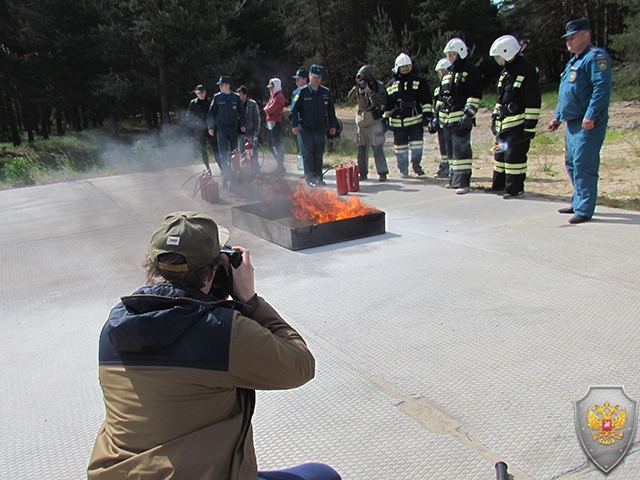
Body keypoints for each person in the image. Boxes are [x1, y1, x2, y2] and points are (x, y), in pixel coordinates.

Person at [87, 211, 341, 480]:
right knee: (323, 475)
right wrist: (249, 299)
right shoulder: (221, 331)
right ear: (211, 275)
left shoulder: (114, 328)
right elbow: (300, 365)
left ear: (150, 266)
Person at [548, 18, 612, 224]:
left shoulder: (595, 58)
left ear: (586, 35)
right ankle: (578, 201)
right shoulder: (573, 61)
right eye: (567, 38)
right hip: (572, 121)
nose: (569, 41)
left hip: (588, 122)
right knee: (571, 164)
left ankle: (584, 209)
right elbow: (565, 93)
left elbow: (601, 89)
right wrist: (557, 116)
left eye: (573, 37)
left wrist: (591, 114)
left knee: (584, 163)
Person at [486, 35, 541, 199]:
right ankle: (499, 185)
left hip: (518, 124)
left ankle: (514, 189)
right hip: (504, 124)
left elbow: (533, 100)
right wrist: (495, 118)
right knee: (500, 155)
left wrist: (530, 126)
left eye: (499, 57)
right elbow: (500, 98)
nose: (498, 60)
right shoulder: (506, 73)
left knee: (514, 158)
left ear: (508, 52)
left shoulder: (527, 70)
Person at [438, 38, 483, 194]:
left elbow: (475, 93)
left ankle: (464, 183)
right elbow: (441, 97)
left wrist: (469, 113)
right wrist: (437, 115)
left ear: (461, 53)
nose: (450, 57)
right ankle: (454, 179)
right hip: (447, 119)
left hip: (461, 118)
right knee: (450, 152)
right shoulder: (448, 72)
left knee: (462, 151)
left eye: (453, 54)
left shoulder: (470, 70)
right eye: (448, 55)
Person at [383, 53, 432, 178]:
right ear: (397, 68)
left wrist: (427, 115)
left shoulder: (418, 81)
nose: (405, 69)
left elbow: (426, 99)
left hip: (415, 121)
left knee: (417, 146)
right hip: (398, 123)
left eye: (407, 66)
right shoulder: (390, 85)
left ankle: (416, 166)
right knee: (400, 148)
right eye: (402, 67)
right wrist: (385, 118)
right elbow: (387, 104)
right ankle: (403, 169)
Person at [290, 65, 338, 187]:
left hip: (320, 127)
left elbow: (331, 111)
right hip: (305, 128)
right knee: (308, 154)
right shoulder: (301, 92)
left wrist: (333, 125)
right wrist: (294, 125)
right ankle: (310, 177)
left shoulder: (325, 93)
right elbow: (293, 111)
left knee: (319, 153)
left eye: (319, 77)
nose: (317, 79)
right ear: (310, 76)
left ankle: (318, 177)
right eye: (314, 76)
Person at [346, 65, 389, 181]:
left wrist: (369, 91)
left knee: (378, 148)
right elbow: (348, 100)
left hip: (374, 121)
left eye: (363, 78)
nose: (361, 80)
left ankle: (382, 172)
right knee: (361, 151)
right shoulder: (358, 87)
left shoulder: (378, 85)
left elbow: (383, 100)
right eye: (359, 78)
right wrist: (356, 87)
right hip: (362, 123)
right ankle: (362, 173)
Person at [208, 76, 247, 186]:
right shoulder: (217, 98)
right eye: (220, 85)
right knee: (223, 152)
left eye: (222, 85)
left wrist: (243, 124)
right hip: (222, 128)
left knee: (234, 151)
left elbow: (242, 112)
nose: (220, 87)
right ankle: (226, 174)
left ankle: (236, 174)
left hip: (233, 128)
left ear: (228, 85)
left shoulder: (236, 98)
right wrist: (211, 127)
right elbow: (211, 114)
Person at [186, 85, 220, 174]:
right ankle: (208, 168)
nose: (201, 94)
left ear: (205, 92)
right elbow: (189, 115)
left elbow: (215, 113)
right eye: (198, 93)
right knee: (203, 149)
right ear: (196, 93)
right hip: (200, 129)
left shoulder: (210, 101)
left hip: (211, 128)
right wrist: (195, 122)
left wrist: (214, 124)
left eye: (202, 92)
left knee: (215, 148)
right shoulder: (193, 103)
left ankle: (221, 167)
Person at [429, 58, 452, 179]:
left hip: (451, 121)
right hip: (441, 121)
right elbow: (437, 105)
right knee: (443, 146)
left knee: (451, 146)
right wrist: (434, 119)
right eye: (440, 72)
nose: (442, 75)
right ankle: (444, 167)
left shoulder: (453, 85)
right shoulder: (438, 88)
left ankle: (452, 169)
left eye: (444, 71)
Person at [236, 85, 261, 174]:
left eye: (240, 94)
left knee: (253, 150)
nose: (239, 96)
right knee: (242, 150)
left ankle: (255, 168)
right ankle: (244, 169)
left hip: (250, 131)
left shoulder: (252, 104)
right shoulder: (236, 105)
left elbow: (257, 118)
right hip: (240, 132)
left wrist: (256, 130)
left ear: (245, 95)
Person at [264, 78, 286, 174]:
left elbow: (269, 109)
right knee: (271, 145)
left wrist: (267, 109)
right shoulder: (273, 97)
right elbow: (267, 107)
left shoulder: (279, 97)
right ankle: (279, 165)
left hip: (275, 123)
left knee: (276, 145)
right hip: (270, 123)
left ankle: (280, 166)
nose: (270, 90)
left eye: (272, 88)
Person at [292, 68, 309, 170]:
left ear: (305, 79)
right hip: (300, 123)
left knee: (310, 149)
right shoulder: (296, 92)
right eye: (296, 79)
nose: (296, 81)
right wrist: (294, 124)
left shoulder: (310, 90)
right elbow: (294, 110)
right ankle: (305, 170)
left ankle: (312, 171)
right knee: (303, 148)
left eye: (299, 79)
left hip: (309, 124)